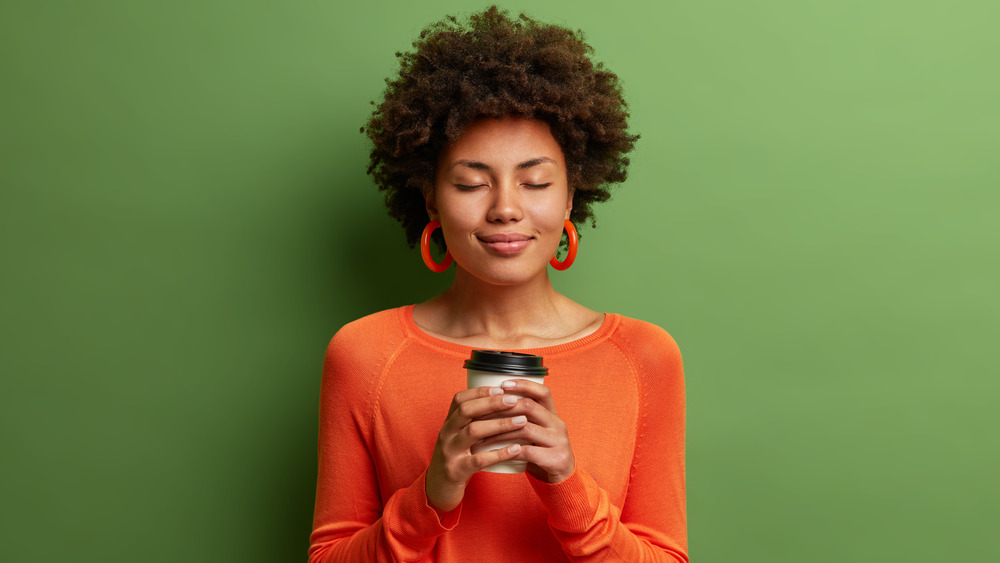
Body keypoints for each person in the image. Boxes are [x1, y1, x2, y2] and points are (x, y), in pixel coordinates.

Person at [309, 6, 686, 562]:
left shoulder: (646, 357)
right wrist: (430, 494)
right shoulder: (362, 353)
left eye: (535, 181)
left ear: (570, 197)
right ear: (432, 196)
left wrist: (567, 486)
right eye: (470, 183)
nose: (505, 209)